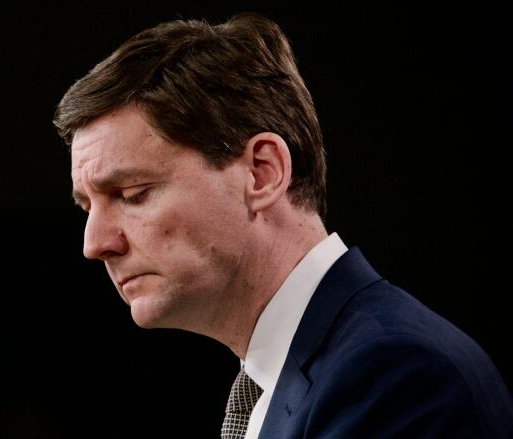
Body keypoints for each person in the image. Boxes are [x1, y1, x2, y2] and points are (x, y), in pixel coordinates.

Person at [53, 13, 513, 438]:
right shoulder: (302, 373)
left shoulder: (395, 374)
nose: (95, 243)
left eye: (133, 194)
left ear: (262, 172)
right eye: (86, 208)